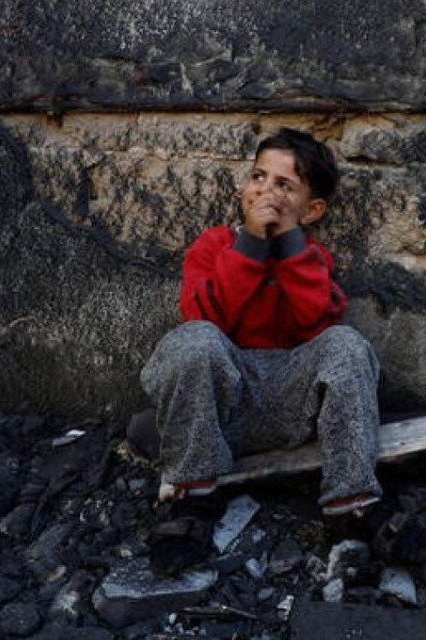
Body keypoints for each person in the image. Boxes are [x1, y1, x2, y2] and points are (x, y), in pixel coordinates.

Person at [140, 127, 382, 517]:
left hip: (291, 406)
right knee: (194, 340)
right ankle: (191, 499)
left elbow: (315, 325)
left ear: (311, 211)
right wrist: (250, 244)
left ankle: (354, 501)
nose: (266, 192)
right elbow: (202, 320)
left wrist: (288, 246)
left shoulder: (312, 259)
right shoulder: (214, 246)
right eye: (258, 177)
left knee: (347, 343)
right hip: (218, 410)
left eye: (284, 186)